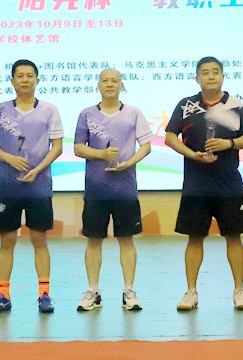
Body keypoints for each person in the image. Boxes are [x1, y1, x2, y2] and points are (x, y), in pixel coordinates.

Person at [165, 56, 243, 311]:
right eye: (205, 72)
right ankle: (191, 292)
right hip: (196, 185)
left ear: (223, 76)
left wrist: (228, 144)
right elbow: (170, 136)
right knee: (194, 238)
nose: (211, 76)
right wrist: (192, 155)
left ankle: (239, 290)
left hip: (228, 184)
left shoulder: (235, 105)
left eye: (216, 71)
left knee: (234, 237)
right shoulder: (186, 105)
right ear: (197, 78)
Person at [0, 59, 64, 314]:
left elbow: (57, 147)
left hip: (39, 188)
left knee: (40, 239)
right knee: (7, 241)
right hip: (8, 188)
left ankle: (44, 295)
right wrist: (9, 158)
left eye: (30, 75)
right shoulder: (0, 110)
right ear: (12, 81)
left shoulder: (49, 110)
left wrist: (37, 170)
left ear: (37, 80)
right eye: (20, 76)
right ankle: (2, 295)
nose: (25, 80)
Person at [73, 68, 153, 312]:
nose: (110, 84)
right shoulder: (86, 114)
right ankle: (93, 290)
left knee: (126, 240)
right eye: (105, 81)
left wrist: (130, 162)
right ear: (98, 85)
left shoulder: (133, 113)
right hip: (96, 190)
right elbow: (78, 148)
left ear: (121, 85)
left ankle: (129, 290)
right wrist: (101, 154)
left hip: (125, 190)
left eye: (114, 81)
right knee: (93, 240)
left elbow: (146, 145)